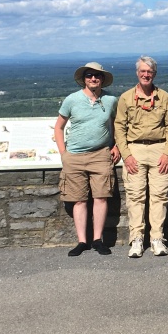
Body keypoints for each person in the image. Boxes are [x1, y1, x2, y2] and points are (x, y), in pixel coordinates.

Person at [54, 62, 120, 257]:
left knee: (101, 197)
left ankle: (97, 240)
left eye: (97, 76)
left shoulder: (111, 100)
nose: (93, 78)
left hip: (101, 154)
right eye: (90, 75)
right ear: (84, 79)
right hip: (74, 156)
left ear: (102, 79)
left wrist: (117, 146)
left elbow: (118, 124)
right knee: (79, 200)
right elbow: (59, 127)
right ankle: (82, 241)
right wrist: (63, 154)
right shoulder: (72, 100)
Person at [115, 56, 168, 258]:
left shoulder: (164, 97)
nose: (146, 74)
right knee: (135, 196)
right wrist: (127, 155)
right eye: (142, 71)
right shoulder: (126, 98)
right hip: (135, 150)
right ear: (137, 73)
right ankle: (136, 240)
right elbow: (119, 128)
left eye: (149, 71)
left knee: (160, 196)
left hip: (159, 150)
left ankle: (157, 239)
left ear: (154, 74)